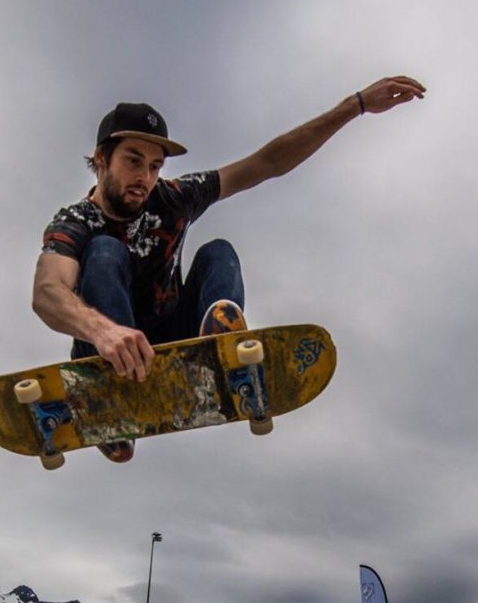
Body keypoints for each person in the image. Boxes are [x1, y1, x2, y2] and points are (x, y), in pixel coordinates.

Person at [32, 77, 427, 461]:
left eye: (154, 166)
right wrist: (104, 332)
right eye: (133, 162)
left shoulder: (175, 198)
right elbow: (48, 292)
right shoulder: (75, 222)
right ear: (102, 160)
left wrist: (354, 106)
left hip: (172, 339)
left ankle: (223, 350)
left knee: (219, 251)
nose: (145, 178)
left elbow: (267, 163)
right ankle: (114, 405)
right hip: (105, 353)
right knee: (104, 250)